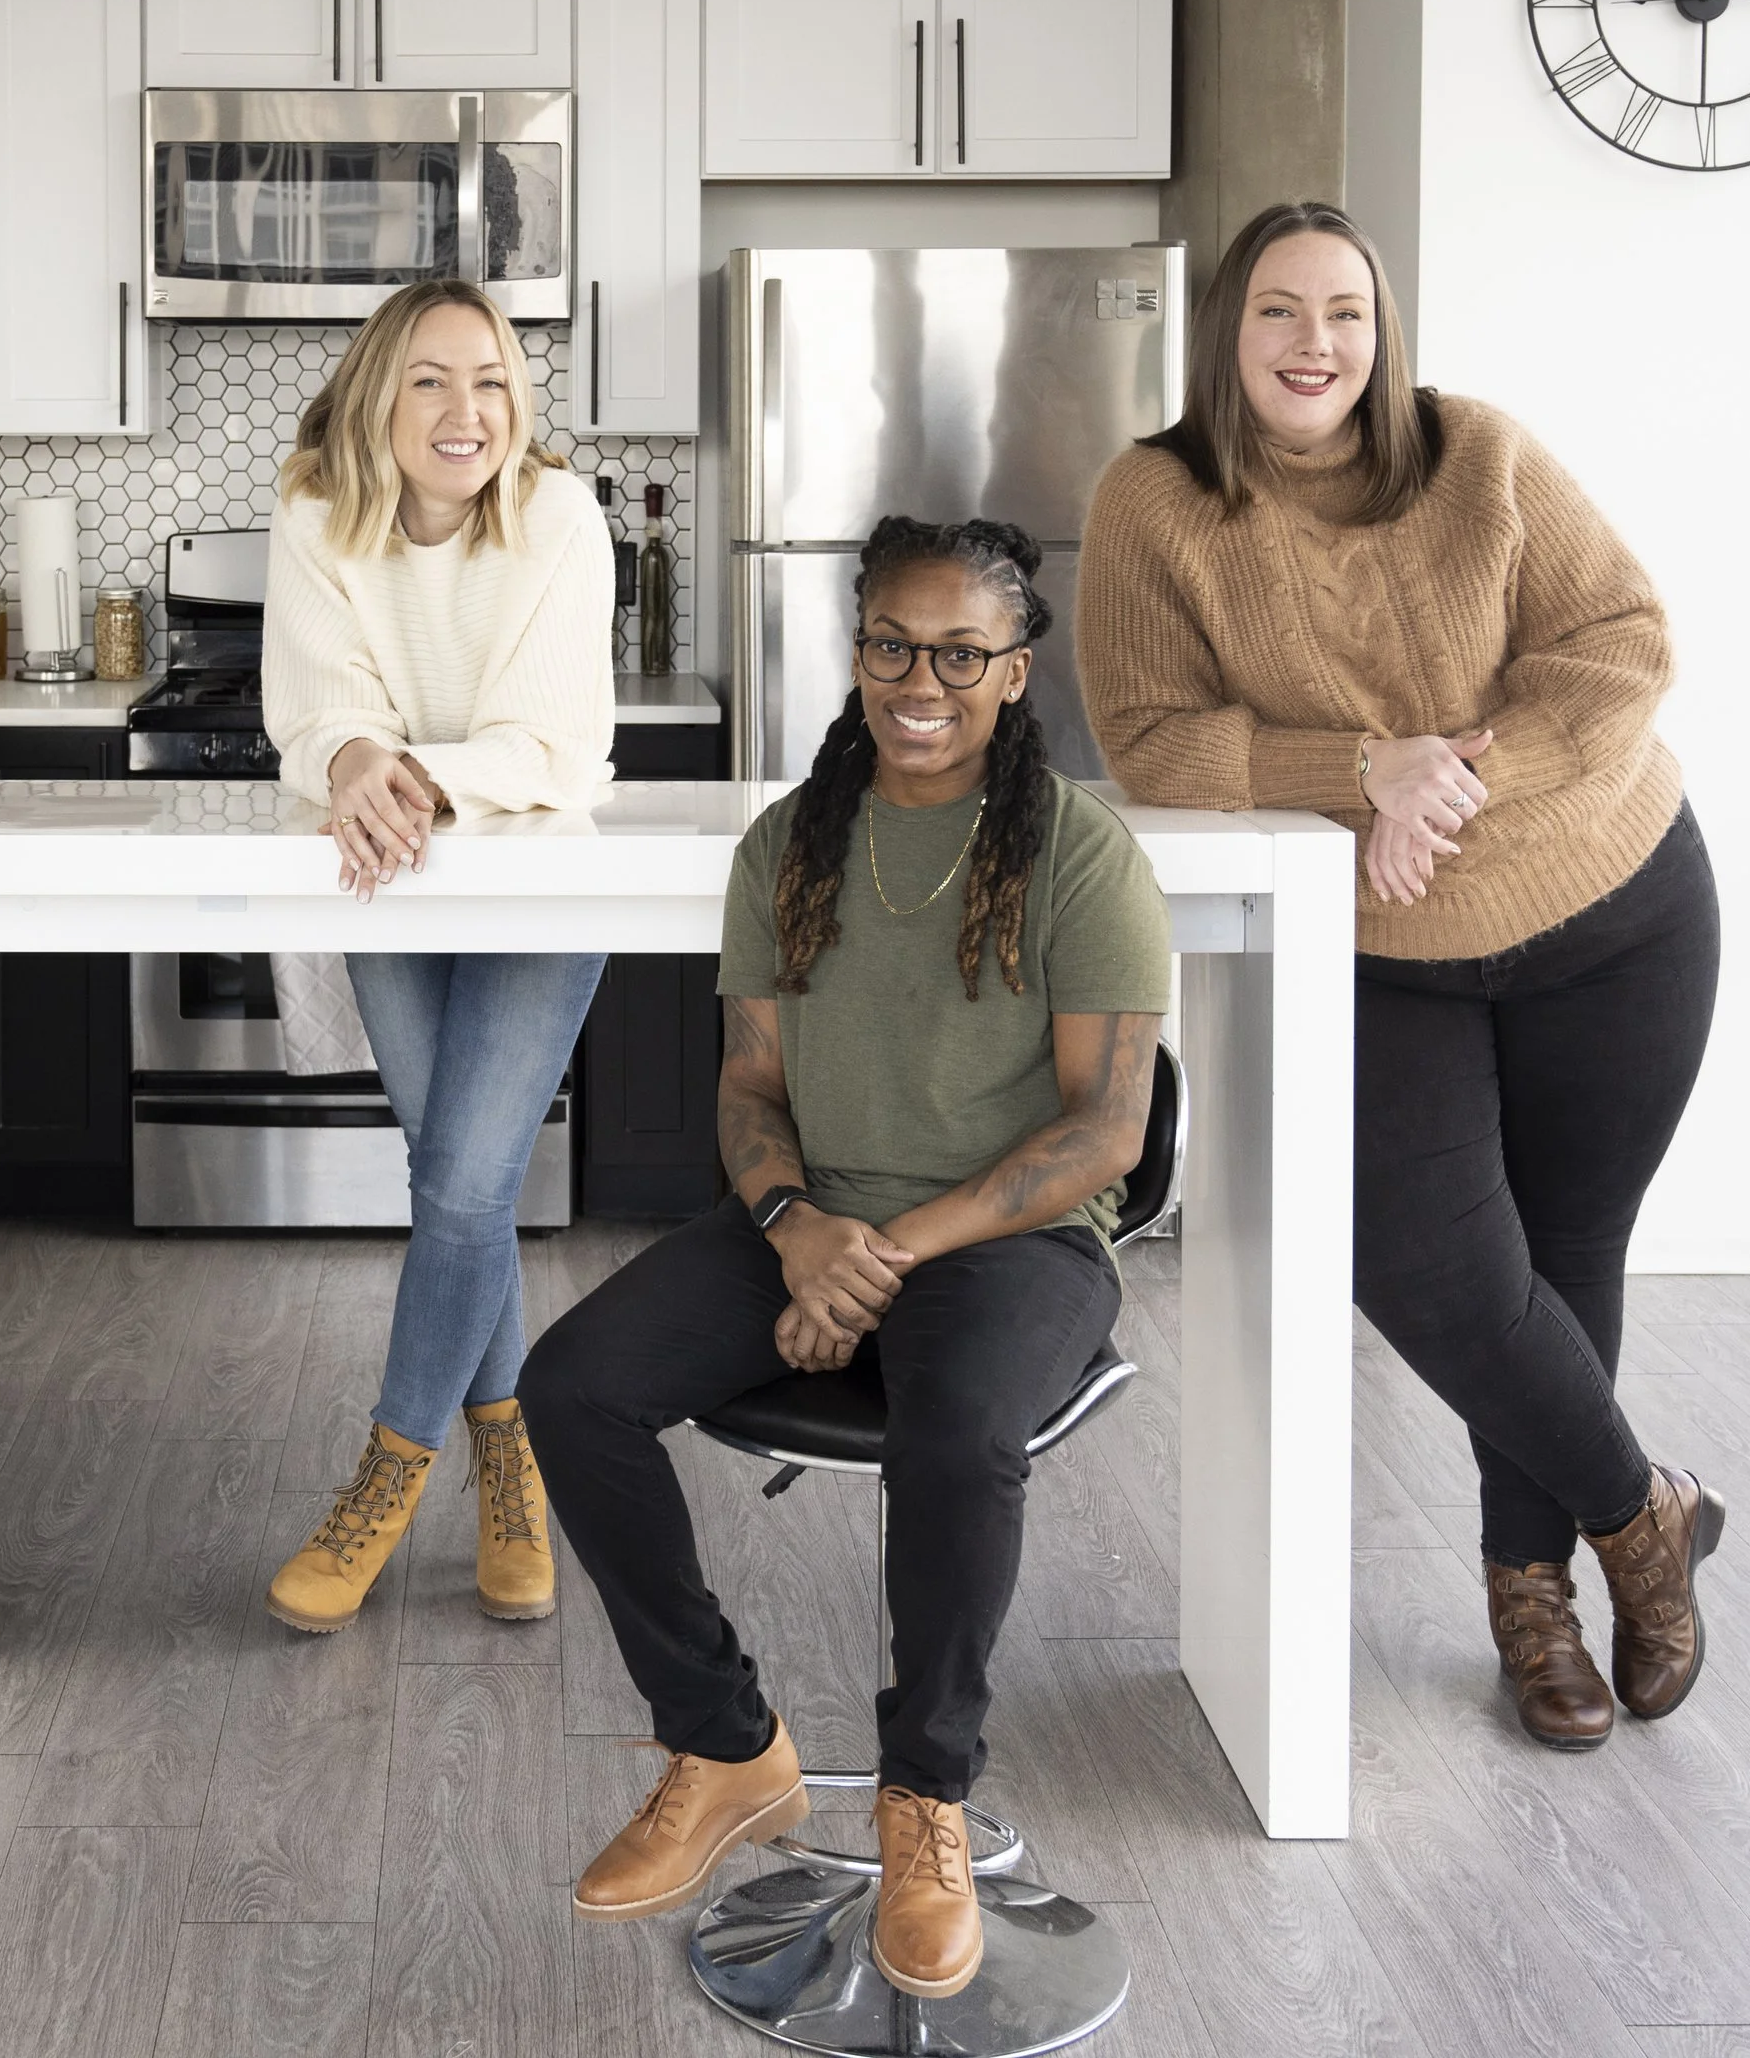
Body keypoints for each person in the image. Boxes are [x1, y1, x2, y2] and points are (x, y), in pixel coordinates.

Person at [1076, 200, 1723, 1753]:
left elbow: (1621, 639)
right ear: (1228, 334)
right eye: (1282, 313)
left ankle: (1532, 1603)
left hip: (1616, 901)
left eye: (1346, 314)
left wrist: (1447, 786)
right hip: (1385, 950)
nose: (1316, 344)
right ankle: (1646, 1513)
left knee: (1565, 1262)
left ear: (1384, 333)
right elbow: (1152, 740)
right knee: (1436, 1271)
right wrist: (1363, 764)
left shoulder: (1479, 455)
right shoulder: (1156, 505)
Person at [520, 518, 1168, 2000]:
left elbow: (1108, 1130)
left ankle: (923, 1796)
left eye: (959, 654)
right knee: (574, 1385)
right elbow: (750, 1085)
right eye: (891, 646)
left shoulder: (1080, 853)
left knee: (956, 1428)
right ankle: (726, 1745)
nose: (919, 680)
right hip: (815, 1219)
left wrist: (884, 1256)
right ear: (857, 650)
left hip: (1011, 1240)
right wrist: (799, 1229)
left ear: (1015, 671)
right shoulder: (790, 844)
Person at [259, 279, 615, 1634]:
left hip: (524, 876)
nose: (464, 412)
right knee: (460, 1178)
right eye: (429, 381)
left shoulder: (560, 520)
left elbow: (551, 743)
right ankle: (511, 1453)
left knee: (464, 1183)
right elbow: (317, 697)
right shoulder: (315, 513)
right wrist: (354, 753)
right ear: (377, 398)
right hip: (395, 873)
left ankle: (381, 1484)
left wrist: (390, 766)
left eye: (489, 383)